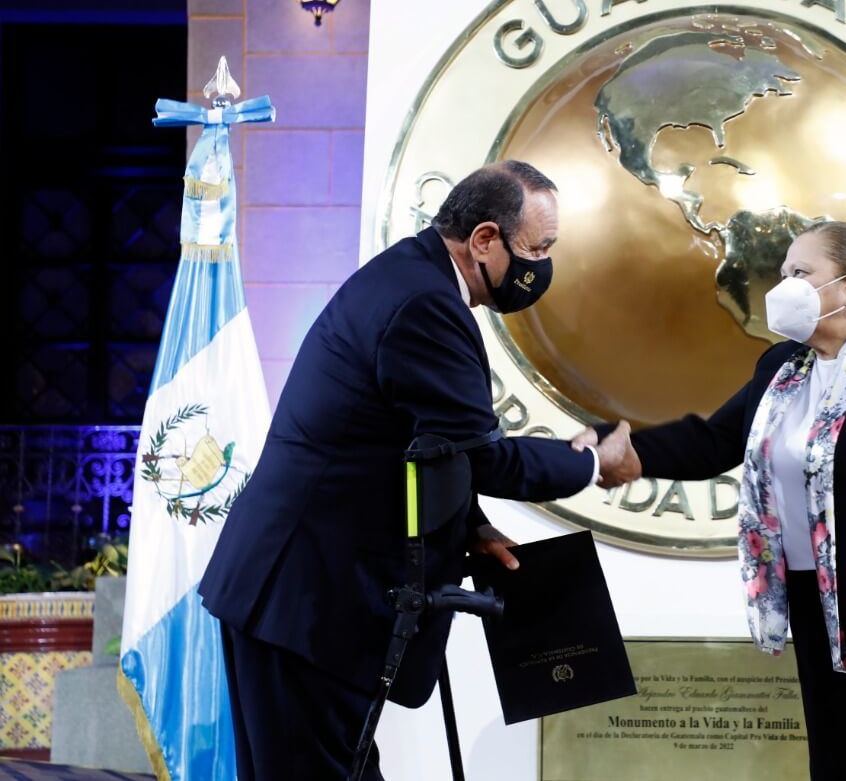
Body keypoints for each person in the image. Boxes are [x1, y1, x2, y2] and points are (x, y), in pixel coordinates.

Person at [200, 161, 640, 780]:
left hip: (300, 594)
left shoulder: (415, 276)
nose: (543, 266)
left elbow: (420, 444)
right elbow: (484, 455)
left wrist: (471, 527)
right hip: (303, 599)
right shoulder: (425, 304)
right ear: (486, 239)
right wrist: (592, 461)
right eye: (538, 249)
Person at [576, 221, 846, 780]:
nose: (783, 288)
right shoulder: (782, 368)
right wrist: (622, 444)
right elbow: (713, 441)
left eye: (801, 274)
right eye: (782, 274)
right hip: (817, 613)